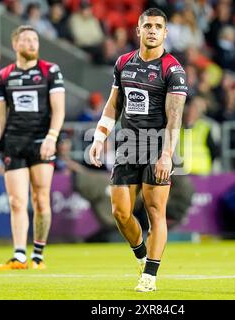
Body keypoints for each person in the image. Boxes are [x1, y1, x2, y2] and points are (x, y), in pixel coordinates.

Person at [89, 8, 188, 292]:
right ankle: (142, 256)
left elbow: (175, 117)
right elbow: (113, 104)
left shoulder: (173, 70)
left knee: (156, 211)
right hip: (128, 145)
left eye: (158, 26)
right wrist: (99, 137)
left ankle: (150, 276)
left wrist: (167, 154)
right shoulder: (123, 63)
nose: (153, 30)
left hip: (158, 145)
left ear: (166, 33)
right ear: (138, 30)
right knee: (120, 212)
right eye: (148, 26)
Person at [0, 25, 65, 270]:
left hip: (42, 142)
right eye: (26, 40)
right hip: (14, 143)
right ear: (15, 45)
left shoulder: (50, 71)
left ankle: (38, 254)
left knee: (40, 199)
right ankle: (19, 256)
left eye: (35, 40)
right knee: (17, 201)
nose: (32, 43)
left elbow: (59, 109)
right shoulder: (4, 76)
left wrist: (52, 136)